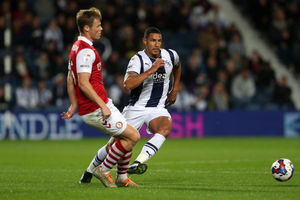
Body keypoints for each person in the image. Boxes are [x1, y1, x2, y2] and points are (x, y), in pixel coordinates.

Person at [83, 27, 181, 177]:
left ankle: (138, 162)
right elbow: (127, 85)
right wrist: (151, 70)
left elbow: (177, 66)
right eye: (153, 40)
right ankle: (90, 170)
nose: (156, 44)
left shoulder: (170, 55)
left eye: (159, 41)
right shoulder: (138, 60)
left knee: (165, 128)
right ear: (145, 41)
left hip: (157, 108)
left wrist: (174, 90)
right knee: (113, 145)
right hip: (136, 108)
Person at [61, 7, 140, 188]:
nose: (101, 28)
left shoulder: (77, 47)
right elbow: (82, 82)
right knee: (132, 137)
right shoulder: (85, 52)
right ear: (87, 28)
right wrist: (101, 106)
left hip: (101, 103)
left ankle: (119, 177)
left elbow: (70, 77)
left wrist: (73, 104)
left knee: (122, 137)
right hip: (96, 108)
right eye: (98, 25)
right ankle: (103, 170)